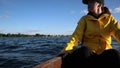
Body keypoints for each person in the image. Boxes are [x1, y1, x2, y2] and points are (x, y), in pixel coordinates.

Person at [57, 0, 120, 67]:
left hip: (105, 53)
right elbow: (76, 36)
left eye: (91, 2)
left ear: (99, 4)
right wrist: (67, 49)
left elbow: (118, 32)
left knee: (114, 54)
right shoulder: (84, 19)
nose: (88, 4)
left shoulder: (110, 19)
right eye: (88, 3)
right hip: (89, 55)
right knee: (84, 51)